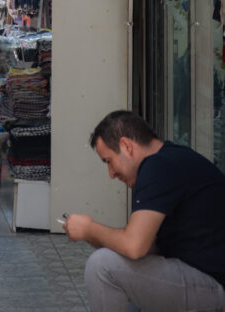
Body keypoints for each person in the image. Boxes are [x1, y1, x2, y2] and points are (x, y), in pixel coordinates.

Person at [64, 109, 225, 312]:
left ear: (126, 146)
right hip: (200, 278)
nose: (111, 173)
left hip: (214, 285)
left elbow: (134, 246)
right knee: (121, 270)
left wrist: (89, 228)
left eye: (109, 161)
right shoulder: (169, 159)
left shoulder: (158, 166)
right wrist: (92, 236)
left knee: (102, 266)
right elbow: (147, 248)